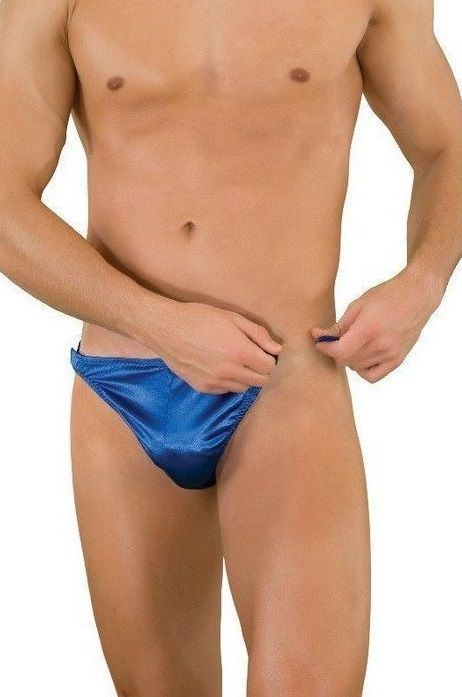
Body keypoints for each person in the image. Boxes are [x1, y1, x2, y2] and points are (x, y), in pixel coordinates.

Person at [0, 0, 461, 694]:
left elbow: (447, 145)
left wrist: (422, 284)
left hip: (288, 379)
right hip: (126, 384)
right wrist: (158, 323)